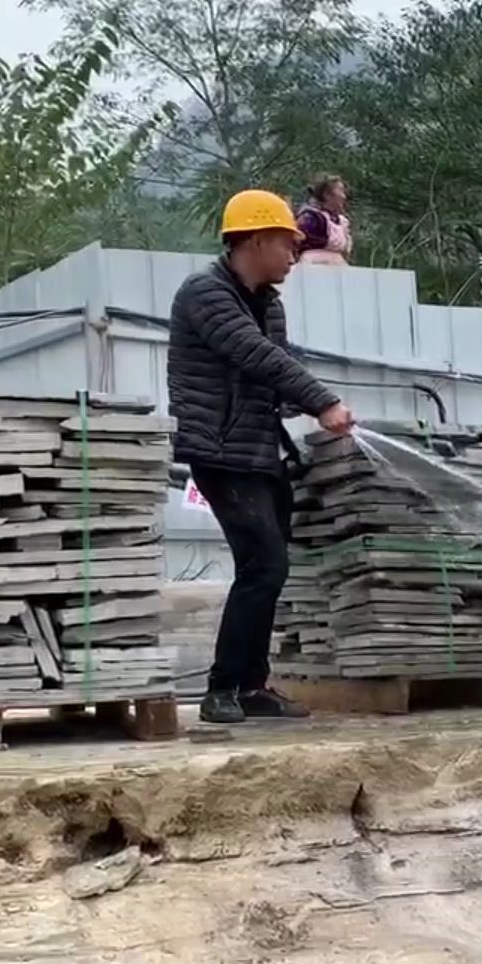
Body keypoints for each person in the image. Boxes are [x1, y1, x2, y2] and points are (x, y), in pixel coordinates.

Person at [168, 189, 357, 724]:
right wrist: (323, 402)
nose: (294, 256)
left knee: (269, 567)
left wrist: (314, 408)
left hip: (259, 449)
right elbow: (255, 356)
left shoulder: (267, 304)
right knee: (264, 563)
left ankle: (252, 685)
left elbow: (276, 367)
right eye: (286, 244)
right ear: (254, 241)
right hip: (220, 452)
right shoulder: (204, 293)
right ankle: (222, 688)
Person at [295, 175, 353, 266]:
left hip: (337, 267)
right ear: (327, 195)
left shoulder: (341, 222)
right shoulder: (310, 218)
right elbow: (296, 243)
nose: (344, 196)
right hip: (313, 265)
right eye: (341, 190)